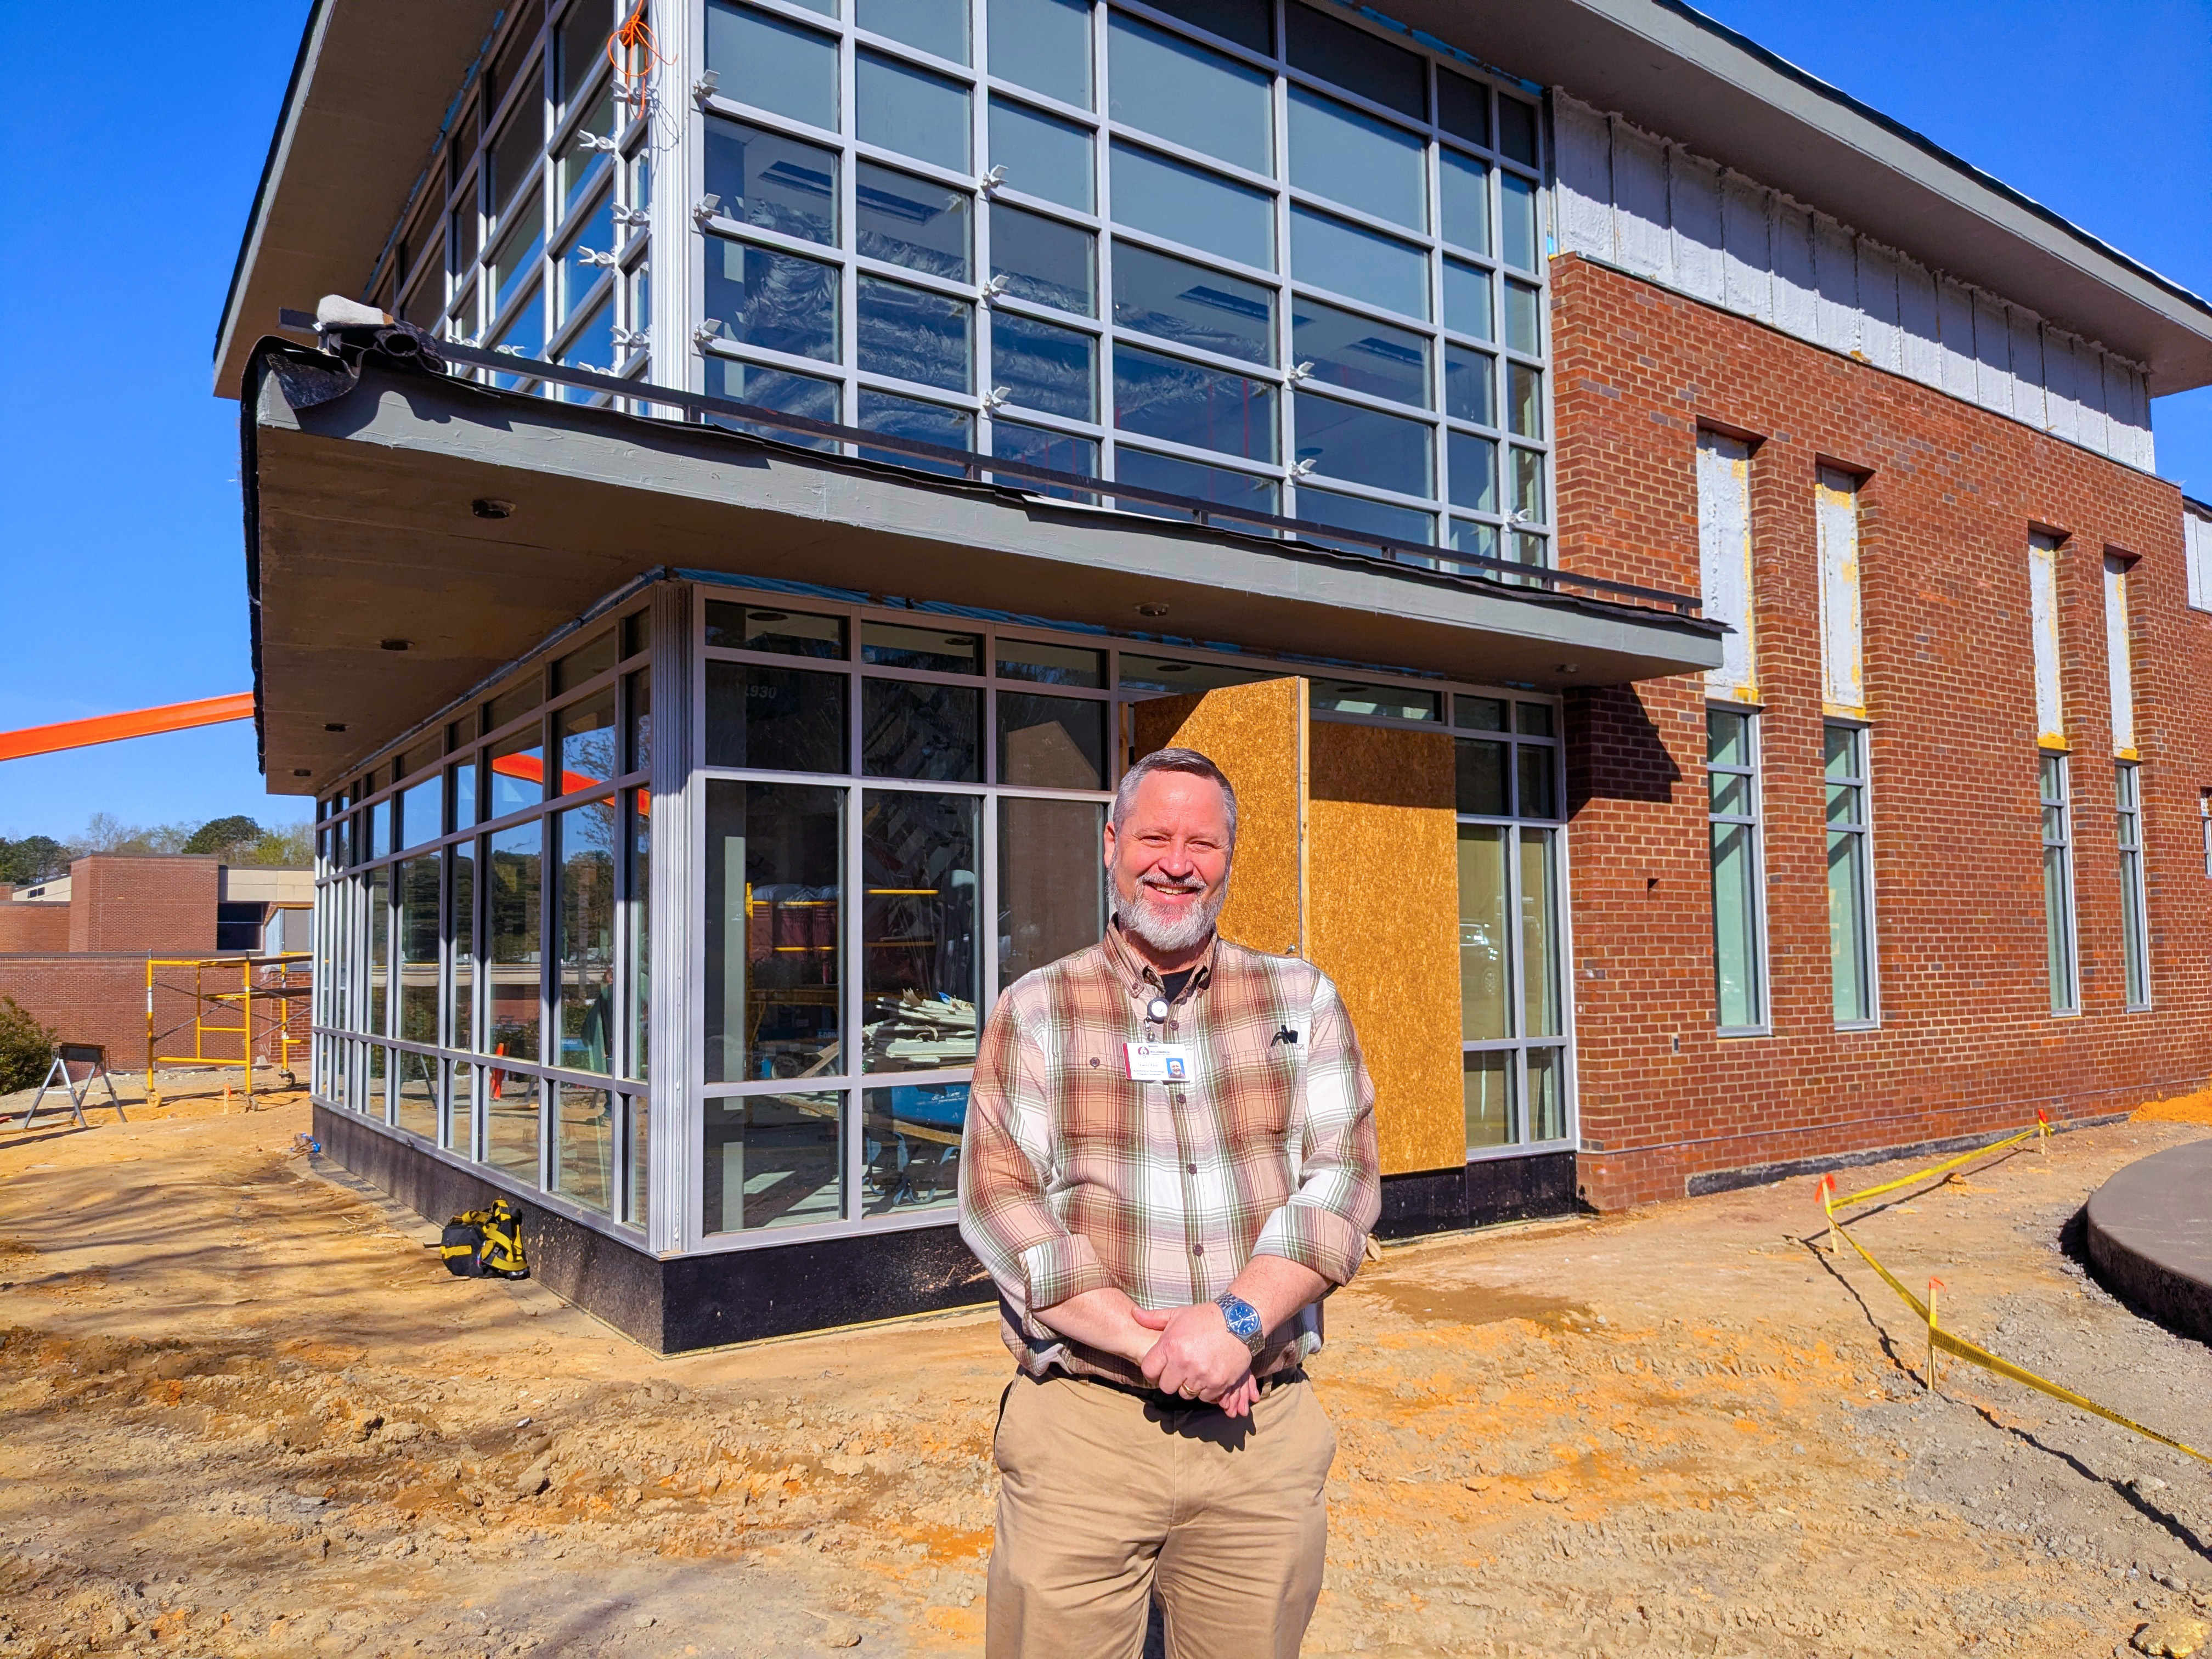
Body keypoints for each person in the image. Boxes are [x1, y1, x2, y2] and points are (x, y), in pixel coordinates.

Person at [959, 746, 1382, 1659]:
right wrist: (1160, 1344)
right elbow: (1003, 1204)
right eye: (1154, 836)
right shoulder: (1036, 1011)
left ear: (1231, 856)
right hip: (1086, 1432)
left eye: (1203, 843)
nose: (1176, 863)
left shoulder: (1302, 999)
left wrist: (1237, 1322)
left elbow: (1343, 1181)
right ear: (1111, 844)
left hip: (1258, 1436)